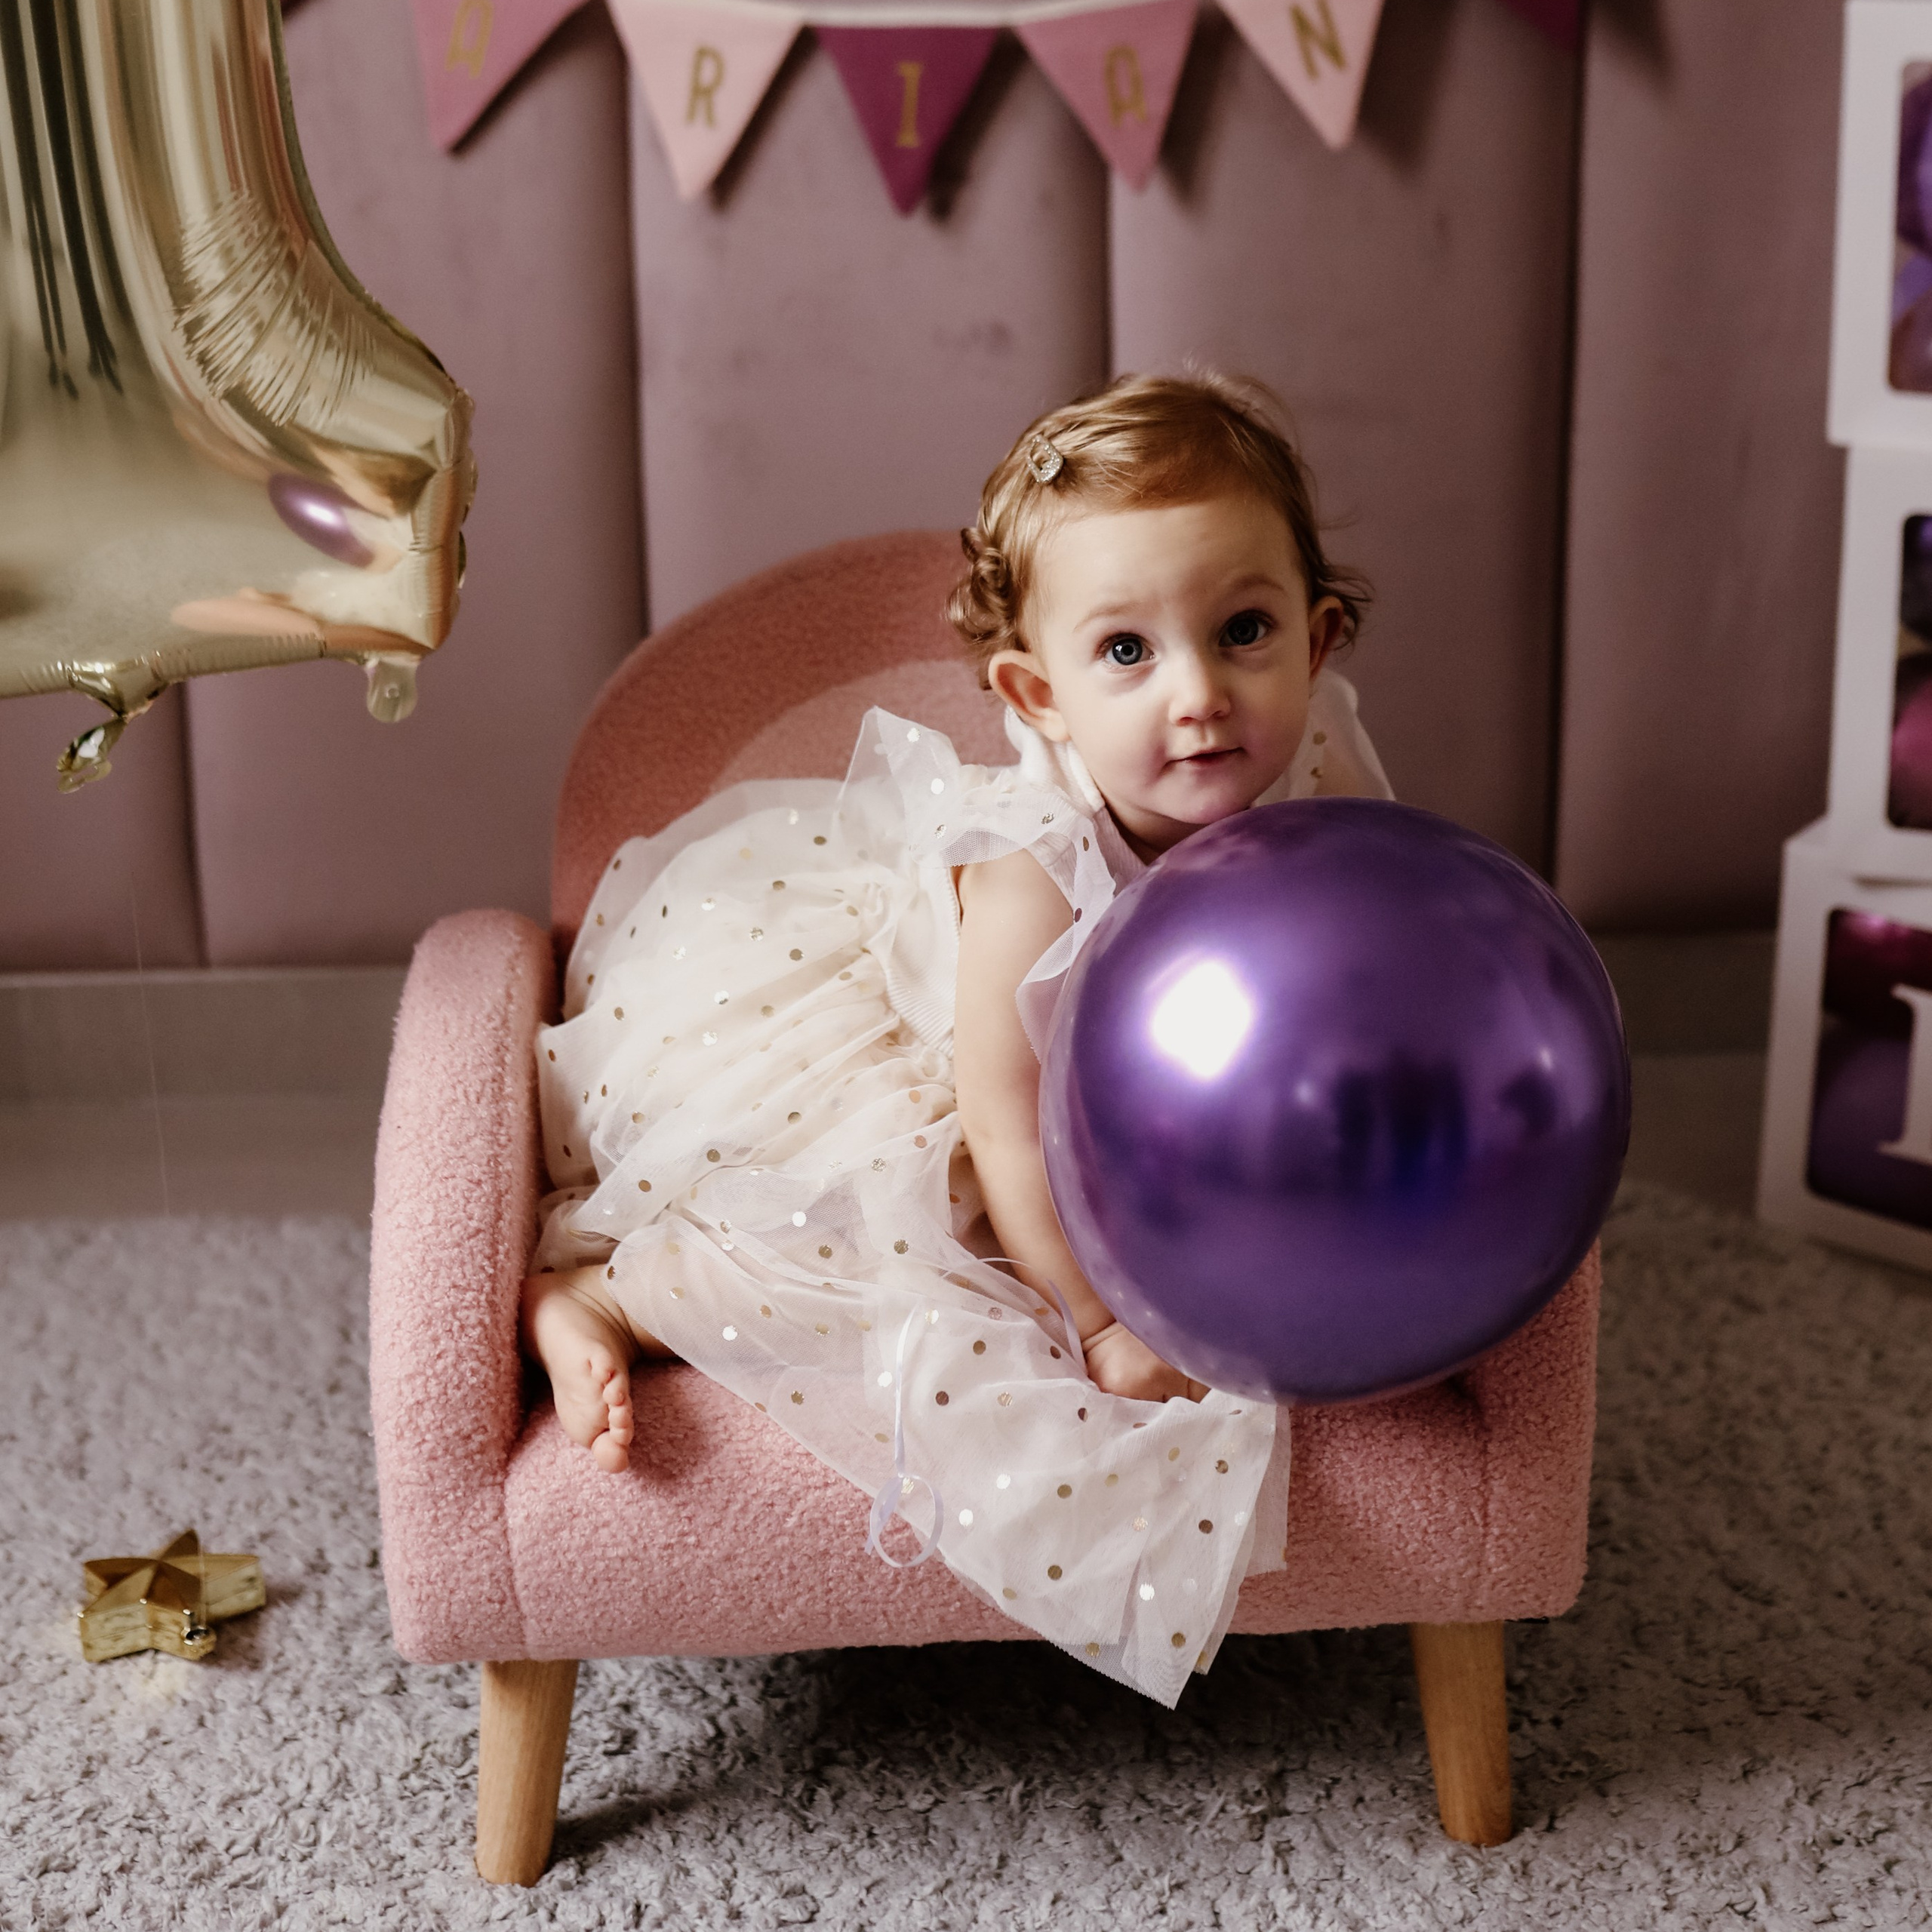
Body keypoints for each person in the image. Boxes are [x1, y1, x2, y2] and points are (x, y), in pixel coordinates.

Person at [519, 372, 1391, 1705]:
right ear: (1035, 695)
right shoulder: (1040, 861)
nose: (1199, 695)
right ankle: (609, 1297)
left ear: (1319, 642)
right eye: (1126, 653)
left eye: (1245, 629)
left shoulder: (1321, 767)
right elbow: (1002, 1105)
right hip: (951, 1060)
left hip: (1156, 1087)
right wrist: (1100, 1317)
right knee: (878, 1236)